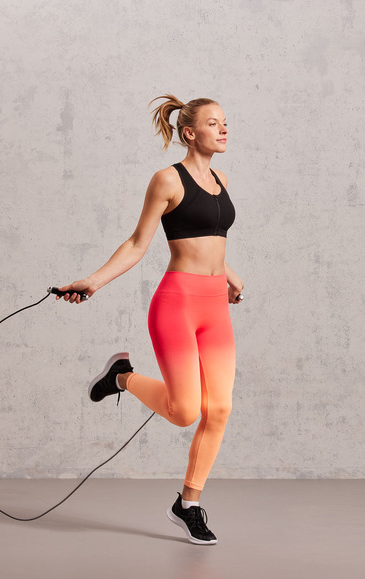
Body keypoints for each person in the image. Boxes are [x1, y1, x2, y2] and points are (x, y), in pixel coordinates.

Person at [56, 94, 243, 545]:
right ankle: (122, 377)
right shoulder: (166, 180)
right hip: (177, 303)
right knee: (184, 412)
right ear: (189, 132)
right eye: (214, 123)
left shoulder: (219, 178)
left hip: (215, 306)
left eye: (226, 123)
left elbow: (211, 240)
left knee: (219, 409)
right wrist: (94, 281)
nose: (224, 130)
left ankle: (188, 504)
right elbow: (139, 243)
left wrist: (231, 278)